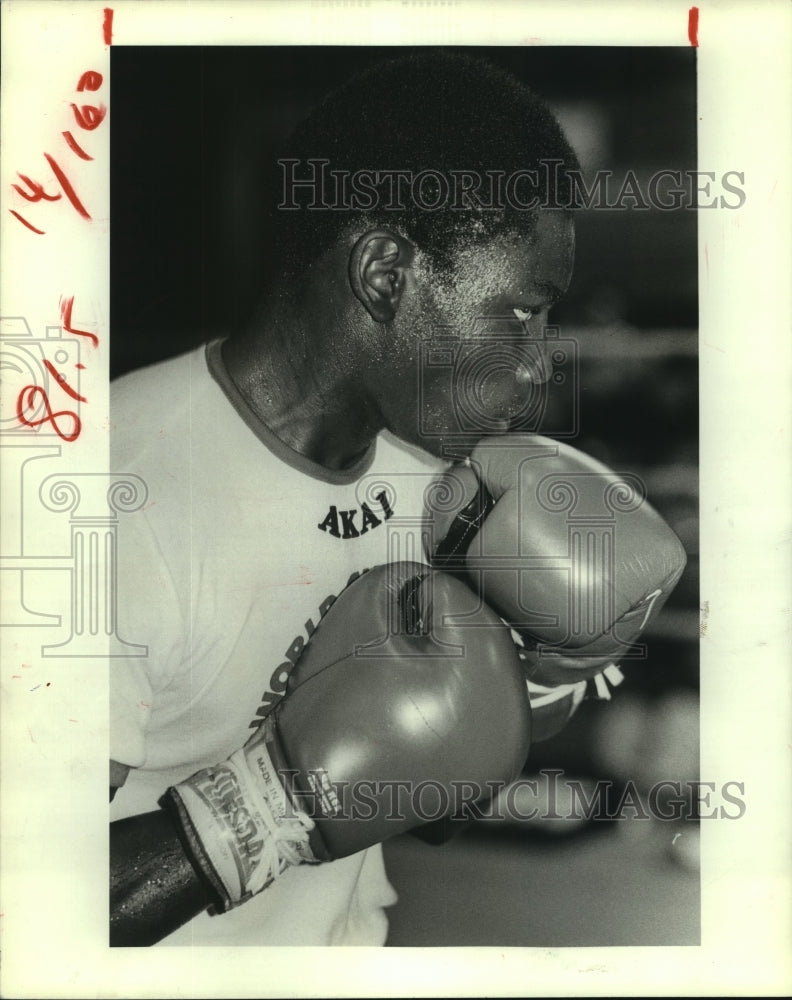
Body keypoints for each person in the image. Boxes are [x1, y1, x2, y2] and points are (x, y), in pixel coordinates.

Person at [110, 50, 669, 947]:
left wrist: (544, 674)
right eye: (523, 312)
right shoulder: (115, 498)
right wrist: (267, 804)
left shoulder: (439, 489)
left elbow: (424, 796)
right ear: (384, 274)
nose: (537, 367)